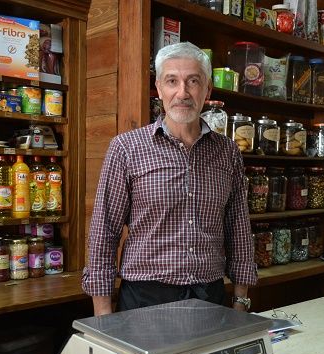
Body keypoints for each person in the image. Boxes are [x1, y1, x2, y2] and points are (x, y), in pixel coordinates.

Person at [82, 42, 257, 316]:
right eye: (172, 81)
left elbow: (239, 227)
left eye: (193, 81)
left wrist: (241, 299)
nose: (182, 92)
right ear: (160, 88)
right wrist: (103, 313)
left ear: (207, 90)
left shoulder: (228, 152)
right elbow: (104, 231)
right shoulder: (127, 148)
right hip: (144, 299)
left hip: (210, 298)